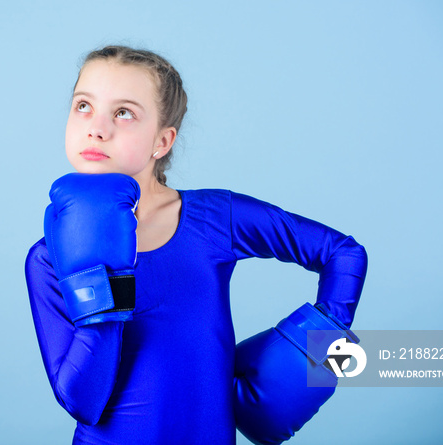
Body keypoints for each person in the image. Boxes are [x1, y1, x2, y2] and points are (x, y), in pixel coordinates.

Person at [25, 45, 368, 445]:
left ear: (162, 141)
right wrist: (104, 280)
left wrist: (320, 352)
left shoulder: (214, 219)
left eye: (124, 112)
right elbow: (83, 401)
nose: (97, 128)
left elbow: (342, 253)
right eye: (83, 106)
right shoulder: (49, 258)